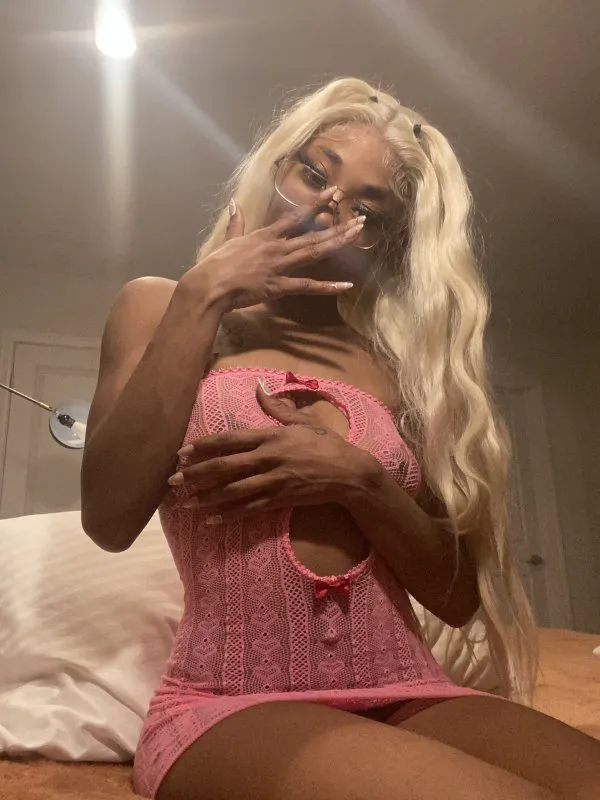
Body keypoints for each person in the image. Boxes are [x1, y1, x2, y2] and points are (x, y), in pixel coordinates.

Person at [81, 78, 600, 800]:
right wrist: (207, 291)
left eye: (367, 209)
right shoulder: (165, 305)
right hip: (229, 701)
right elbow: (108, 518)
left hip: (410, 687)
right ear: (275, 167)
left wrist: (359, 478)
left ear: (382, 242)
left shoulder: (396, 365)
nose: (328, 207)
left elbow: (456, 598)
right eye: (314, 172)